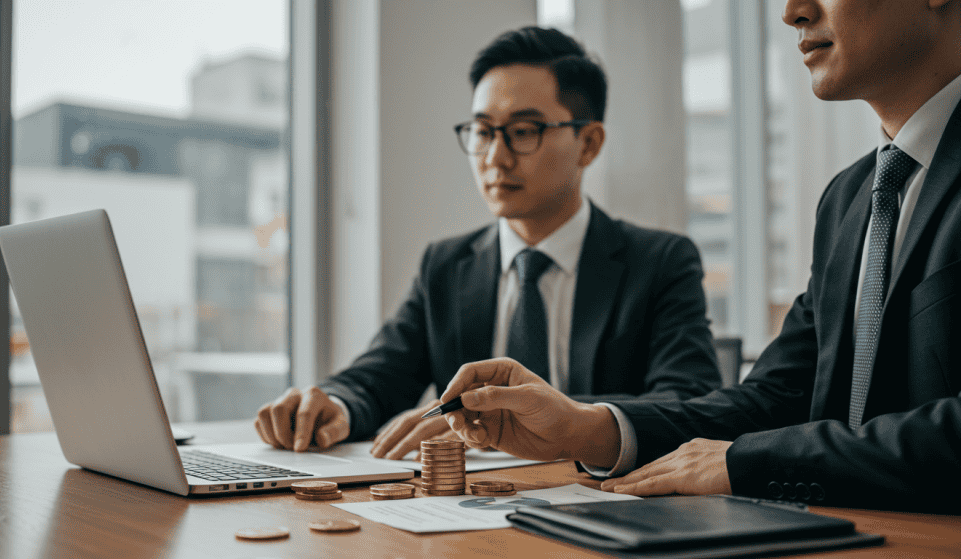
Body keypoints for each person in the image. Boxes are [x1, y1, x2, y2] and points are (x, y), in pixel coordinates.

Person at [442, 0, 961, 514]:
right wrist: (587, 428)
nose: (792, 12)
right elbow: (775, 399)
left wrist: (749, 462)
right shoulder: (849, 197)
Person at [255, 26, 720, 460]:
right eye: (482, 132)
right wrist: (333, 403)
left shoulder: (659, 262)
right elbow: (381, 375)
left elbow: (688, 399)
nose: (496, 158)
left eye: (523, 132)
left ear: (589, 143)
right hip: (465, 507)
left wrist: (514, 418)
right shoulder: (446, 264)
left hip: (604, 501)